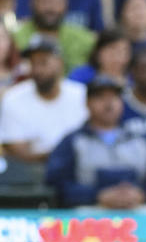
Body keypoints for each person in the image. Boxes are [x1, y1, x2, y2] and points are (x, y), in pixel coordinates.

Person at [46, 74, 146, 207]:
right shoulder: (72, 142)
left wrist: (142, 194)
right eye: (100, 97)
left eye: (114, 97)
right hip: (88, 215)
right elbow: (58, 185)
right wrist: (97, 196)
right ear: (87, 103)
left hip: (139, 212)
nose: (108, 103)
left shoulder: (140, 140)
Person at [0, 36, 87, 164]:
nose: (37, 70)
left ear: (60, 63)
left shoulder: (82, 95)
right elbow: (18, 154)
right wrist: (62, 155)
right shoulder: (13, 98)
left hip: (80, 170)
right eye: (32, 63)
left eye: (43, 62)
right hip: (33, 175)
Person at [14, 0, 95, 72]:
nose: (51, 8)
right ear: (32, 2)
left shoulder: (85, 39)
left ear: (66, 4)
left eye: (57, 1)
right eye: (45, 1)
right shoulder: (15, 38)